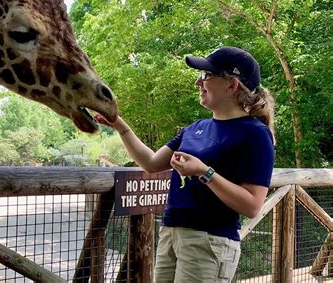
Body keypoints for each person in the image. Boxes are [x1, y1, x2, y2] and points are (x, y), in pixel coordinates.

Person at [95, 46, 275, 282]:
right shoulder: (195, 128)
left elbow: (252, 205)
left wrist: (204, 172)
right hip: (171, 233)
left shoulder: (256, 135)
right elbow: (151, 163)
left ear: (232, 85)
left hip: (210, 242)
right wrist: (119, 124)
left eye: (206, 76)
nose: (198, 83)